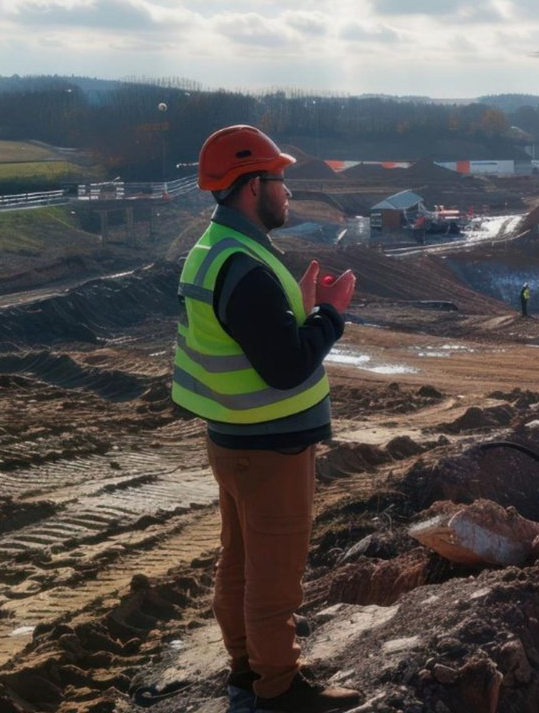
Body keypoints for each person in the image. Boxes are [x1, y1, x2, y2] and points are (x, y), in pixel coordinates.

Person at [172, 124, 362, 713]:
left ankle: (245, 671)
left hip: (233, 439)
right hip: (270, 446)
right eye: (280, 180)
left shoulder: (219, 250)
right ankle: (278, 688)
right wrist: (329, 316)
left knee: (240, 563)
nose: (287, 192)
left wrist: (297, 311)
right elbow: (285, 367)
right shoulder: (246, 266)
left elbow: (252, 339)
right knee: (274, 576)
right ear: (252, 186)